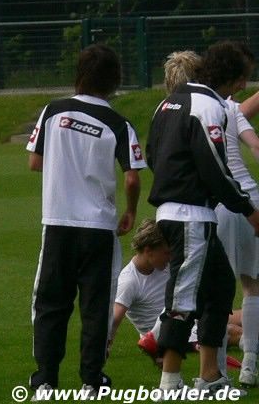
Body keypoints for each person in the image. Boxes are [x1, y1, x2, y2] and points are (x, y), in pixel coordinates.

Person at [26, 43, 146, 396]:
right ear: (114, 80)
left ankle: (45, 380)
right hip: (98, 227)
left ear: (79, 74)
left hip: (58, 221)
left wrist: (65, 169)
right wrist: (130, 211)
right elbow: (132, 177)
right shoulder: (118, 123)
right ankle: (91, 380)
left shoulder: (53, 111)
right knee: (96, 306)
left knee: (50, 303)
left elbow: (34, 162)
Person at [146, 40, 259, 396]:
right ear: (231, 77)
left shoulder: (168, 102)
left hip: (181, 212)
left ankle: (211, 377)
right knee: (182, 300)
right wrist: (249, 210)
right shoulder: (208, 106)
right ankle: (169, 382)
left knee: (220, 287)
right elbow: (216, 169)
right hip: (190, 215)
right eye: (242, 78)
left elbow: (152, 155)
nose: (243, 86)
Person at [109, 219, 243, 369]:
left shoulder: (161, 265)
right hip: (169, 331)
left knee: (245, 316)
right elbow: (115, 318)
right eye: (167, 253)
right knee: (233, 332)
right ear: (148, 251)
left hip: (188, 317)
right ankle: (249, 356)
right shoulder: (129, 281)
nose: (170, 257)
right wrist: (105, 346)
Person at [214, 43, 259, 387]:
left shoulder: (190, 106)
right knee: (252, 285)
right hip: (250, 198)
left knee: (215, 290)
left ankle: (217, 371)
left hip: (217, 200)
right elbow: (255, 145)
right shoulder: (231, 108)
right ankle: (250, 365)